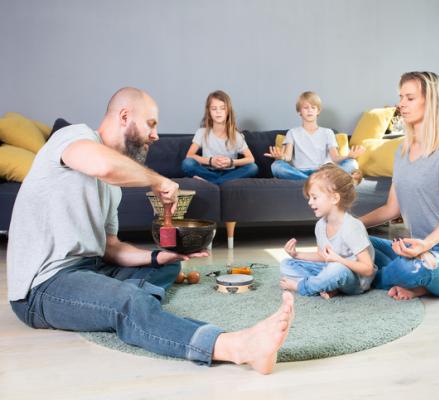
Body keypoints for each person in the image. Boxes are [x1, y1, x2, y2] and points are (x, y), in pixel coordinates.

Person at [7, 87, 294, 374]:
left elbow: (111, 247)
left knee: (166, 269)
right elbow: (103, 164)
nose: (156, 135)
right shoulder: (73, 137)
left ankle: (117, 305)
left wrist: (158, 257)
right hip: (44, 286)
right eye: (151, 124)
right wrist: (156, 181)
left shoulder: (112, 187)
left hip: (90, 268)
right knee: (128, 301)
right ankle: (235, 346)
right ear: (124, 116)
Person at [359, 71, 439, 301]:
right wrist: (351, 226)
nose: (401, 104)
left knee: (413, 268)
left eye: (409, 98)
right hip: (413, 250)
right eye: (401, 97)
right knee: (356, 242)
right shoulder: (402, 151)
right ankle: (414, 284)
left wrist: (425, 245)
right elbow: (391, 209)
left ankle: (361, 277)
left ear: (431, 102)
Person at [279, 164, 376, 299]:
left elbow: (368, 269)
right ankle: (327, 285)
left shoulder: (351, 227)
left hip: (355, 280)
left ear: (334, 198)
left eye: (314, 197)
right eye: (309, 198)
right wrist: (296, 254)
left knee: (337, 269)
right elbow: (322, 256)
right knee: (286, 264)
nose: (309, 203)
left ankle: (303, 286)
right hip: (330, 269)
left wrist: (339, 260)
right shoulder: (320, 225)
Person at [265, 91, 364, 183]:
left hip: (324, 172)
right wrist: (280, 157)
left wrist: (349, 156)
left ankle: (312, 181)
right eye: (306, 107)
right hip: (300, 172)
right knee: (276, 166)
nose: (310, 111)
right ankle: (315, 181)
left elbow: (335, 158)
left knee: (352, 163)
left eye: (313, 107)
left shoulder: (328, 132)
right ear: (299, 111)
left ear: (318, 111)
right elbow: (287, 156)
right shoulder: (292, 132)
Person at [181, 90, 258, 185]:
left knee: (252, 167)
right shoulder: (202, 132)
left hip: (229, 172)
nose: (218, 112)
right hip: (207, 171)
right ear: (209, 112)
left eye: (222, 108)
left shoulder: (236, 135)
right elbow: (189, 156)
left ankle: (211, 183)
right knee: (187, 163)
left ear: (228, 111)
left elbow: (251, 159)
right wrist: (210, 161)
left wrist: (231, 162)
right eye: (214, 109)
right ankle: (222, 182)